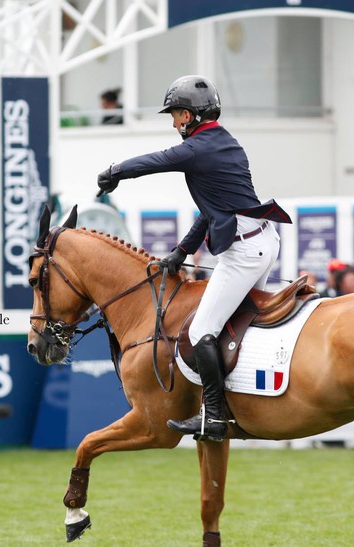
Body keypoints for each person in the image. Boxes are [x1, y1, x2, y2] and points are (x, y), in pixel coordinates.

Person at [96, 75, 291, 442]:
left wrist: (114, 172)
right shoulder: (225, 142)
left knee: (202, 330)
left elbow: (158, 161)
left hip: (245, 253)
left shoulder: (198, 149)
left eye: (175, 115)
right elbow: (212, 212)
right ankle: (245, 404)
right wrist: (181, 252)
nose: (173, 124)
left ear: (190, 115)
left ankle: (214, 417)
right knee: (238, 328)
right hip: (262, 242)